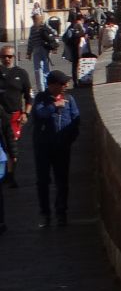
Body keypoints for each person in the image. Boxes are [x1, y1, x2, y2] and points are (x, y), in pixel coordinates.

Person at [31, 70, 79, 227]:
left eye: (66, 83)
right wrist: (54, 106)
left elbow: (75, 120)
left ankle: (61, 212)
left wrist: (68, 141)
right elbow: (39, 114)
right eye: (62, 83)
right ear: (52, 85)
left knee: (62, 181)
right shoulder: (41, 98)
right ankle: (45, 213)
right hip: (43, 148)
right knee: (43, 181)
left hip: (62, 148)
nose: (66, 86)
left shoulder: (69, 99)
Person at [0, 44, 29, 189]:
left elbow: (29, 97)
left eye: (9, 56)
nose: (6, 59)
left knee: (13, 149)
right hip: (0, 115)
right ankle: (5, 174)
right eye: (4, 56)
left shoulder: (21, 73)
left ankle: (11, 176)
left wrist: (25, 113)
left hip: (14, 117)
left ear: (14, 57)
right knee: (3, 147)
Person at [25, 12, 57, 90]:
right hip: (40, 50)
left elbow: (54, 33)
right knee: (40, 70)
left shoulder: (42, 26)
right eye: (33, 18)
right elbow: (31, 41)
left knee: (42, 70)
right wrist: (29, 52)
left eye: (35, 18)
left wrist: (29, 53)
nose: (34, 20)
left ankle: (45, 88)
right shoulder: (34, 28)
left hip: (43, 49)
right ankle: (43, 88)